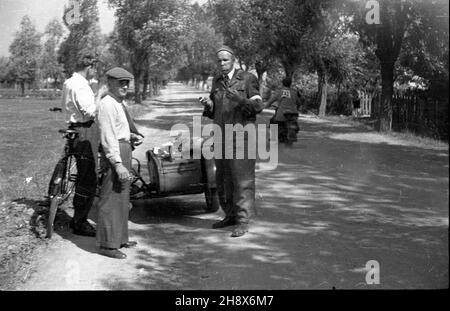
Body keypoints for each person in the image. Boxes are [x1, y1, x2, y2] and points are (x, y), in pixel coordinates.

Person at [201, 46, 264, 237]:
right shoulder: (217, 81)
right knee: (223, 178)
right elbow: (215, 111)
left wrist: (240, 99)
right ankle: (229, 215)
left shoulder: (247, 78)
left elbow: (258, 106)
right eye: (219, 60)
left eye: (225, 60)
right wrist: (208, 104)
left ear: (233, 60)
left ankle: (243, 221)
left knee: (242, 179)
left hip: (242, 136)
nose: (221, 63)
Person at [96, 67, 143, 259]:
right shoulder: (107, 104)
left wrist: (130, 136)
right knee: (111, 199)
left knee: (123, 198)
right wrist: (117, 163)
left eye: (126, 83)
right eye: (120, 83)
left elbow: (117, 130)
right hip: (114, 153)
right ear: (110, 83)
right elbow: (108, 137)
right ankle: (107, 245)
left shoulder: (118, 102)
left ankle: (120, 238)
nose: (124, 86)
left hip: (123, 148)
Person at [62, 51, 103, 237]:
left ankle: (80, 215)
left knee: (84, 173)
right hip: (85, 129)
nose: (95, 72)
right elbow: (89, 113)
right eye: (95, 68)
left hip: (74, 127)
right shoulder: (81, 85)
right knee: (88, 177)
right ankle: (80, 221)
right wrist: (100, 95)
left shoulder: (69, 82)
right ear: (90, 67)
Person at [264, 77, 301, 143]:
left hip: (282, 113)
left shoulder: (279, 91)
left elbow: (270, 101)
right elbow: (299, 103)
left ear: (282, 84)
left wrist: (266, 106)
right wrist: (297, 109)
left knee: (273, 120)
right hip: (293, 114)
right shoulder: (294, 92)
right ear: (290, 84)